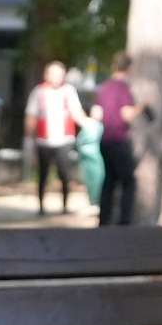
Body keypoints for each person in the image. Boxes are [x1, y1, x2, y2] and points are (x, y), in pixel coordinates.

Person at [26, 60, 86, 214]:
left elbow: (76, 112)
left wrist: (89, 124)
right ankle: (41, 207)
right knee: (43, 175)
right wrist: (28, 137)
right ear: (47, 76)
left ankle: (65, 206)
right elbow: (31, 116)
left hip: (64, 140)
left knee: (64, 174)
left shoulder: (69, 91)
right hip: (44, 140)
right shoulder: (39, 92)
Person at [93, 52, 138, 226]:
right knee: (128, 182)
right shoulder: (123, 88)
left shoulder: (104, 87)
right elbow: (127, 114)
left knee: (109, 180)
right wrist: (141, 107)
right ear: (130, 69)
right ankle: (124, 221)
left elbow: (96, 113)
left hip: (105, 140)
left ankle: (104, 220)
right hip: (119, 139)